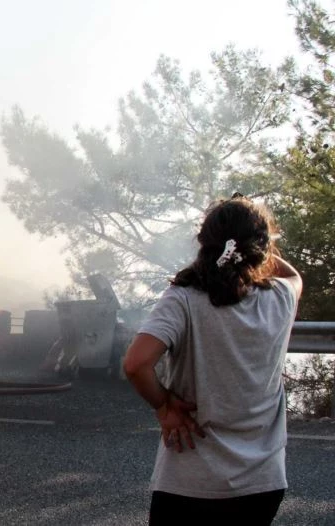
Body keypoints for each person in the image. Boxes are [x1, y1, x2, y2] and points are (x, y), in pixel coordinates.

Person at [123, 195, 302, 525]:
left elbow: (136, 364)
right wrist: (255, 243)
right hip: (262, 482)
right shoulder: (281, 296)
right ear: (261, 246)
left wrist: (164, 407)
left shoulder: (183, 298)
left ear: (203, 242)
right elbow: (289, 272)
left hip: (190, 482)